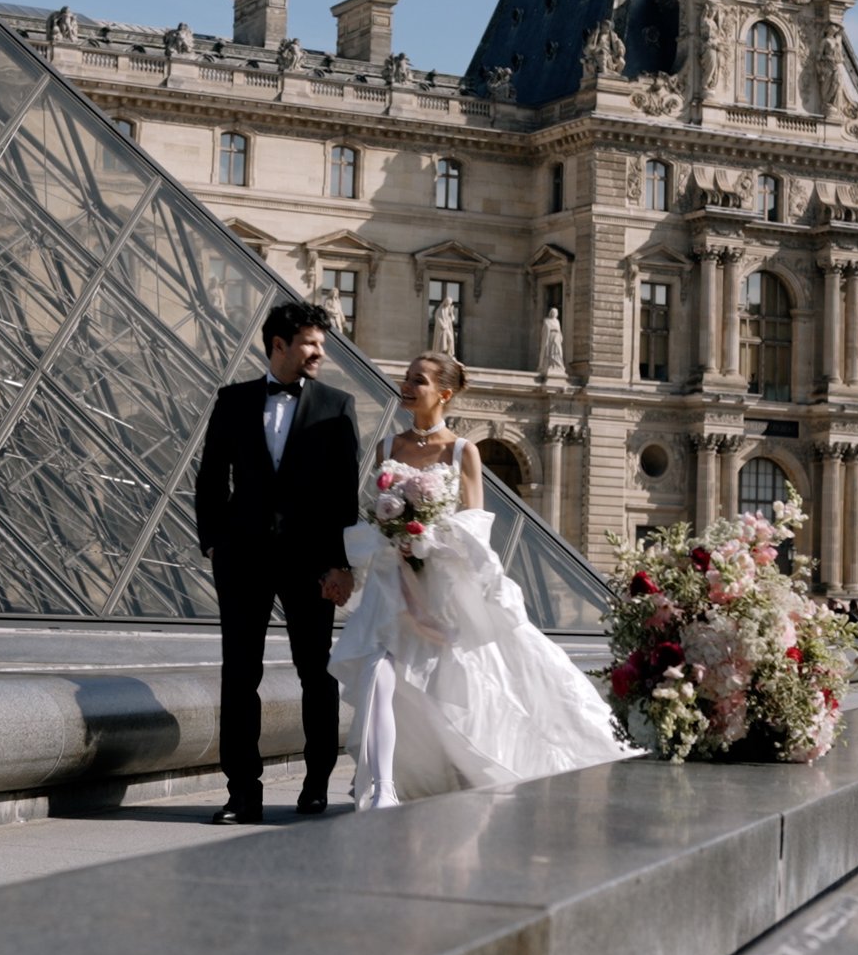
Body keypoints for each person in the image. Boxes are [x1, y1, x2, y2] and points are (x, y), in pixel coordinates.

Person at [330, 351, 634, 809]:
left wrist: (427, 538)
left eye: (419, 381)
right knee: (379, 673)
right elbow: (373, 512)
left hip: (438, 586)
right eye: (407, 378)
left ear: (444, 394)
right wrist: (392, 536)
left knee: (447, 683)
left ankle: (445, 769)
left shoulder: (462, 451)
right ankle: (381, 785)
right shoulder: (386, 448)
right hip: (392, 581)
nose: (407, 386)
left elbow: (474, 525)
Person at [194, 301, 361, 825]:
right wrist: (215, 543)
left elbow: (343, 495)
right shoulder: (233, 400)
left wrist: (340, 564)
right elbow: (210, 476)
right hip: (242, 559)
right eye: (311, 343)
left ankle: (315, 785)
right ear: (279, 345)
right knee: (239, 675)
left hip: (311, 562)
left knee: (316, 672)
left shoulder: (338, 405)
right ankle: (242, 792)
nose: (320, 352)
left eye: (321, 343)